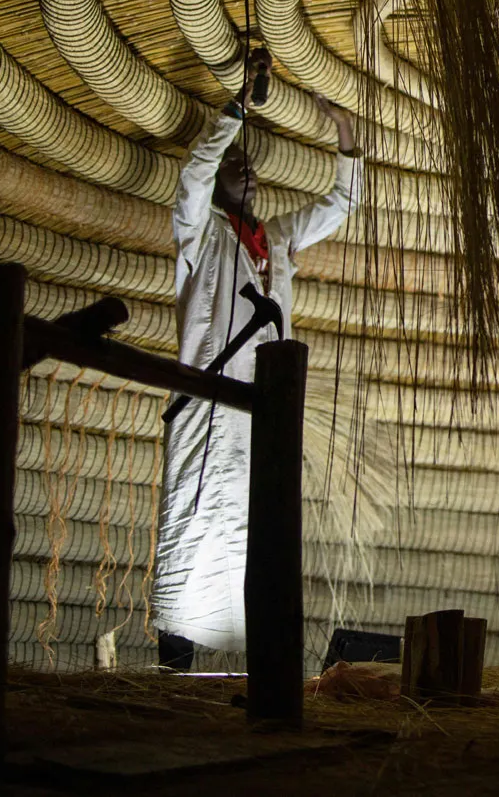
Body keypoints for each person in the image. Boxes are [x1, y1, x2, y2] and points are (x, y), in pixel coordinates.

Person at [154, 73, 362, 668]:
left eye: (248, 165)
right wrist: (235, 114)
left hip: (266, 407)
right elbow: (193, 176)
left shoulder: (278, 241)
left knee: (257, 525)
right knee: (192, 519)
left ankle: (260, 667)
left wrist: (345, 132)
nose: (244, 169)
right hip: (206, 397)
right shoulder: (200, 234)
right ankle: (172, 665)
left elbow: (342, 204)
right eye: (232, 164)